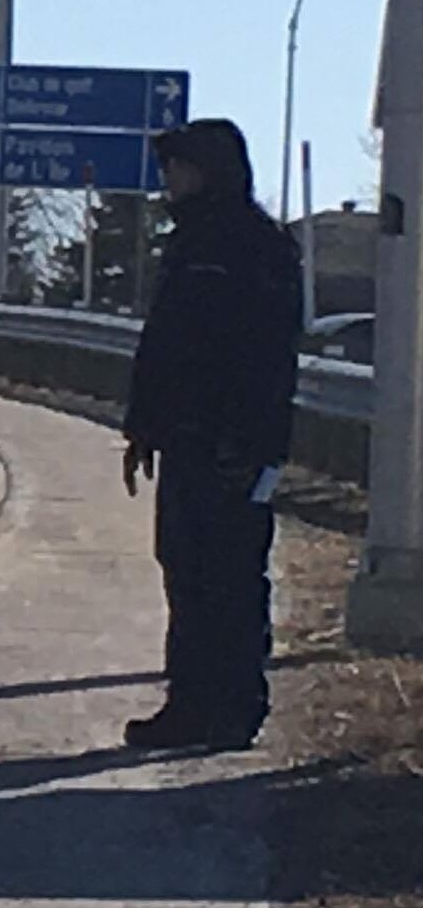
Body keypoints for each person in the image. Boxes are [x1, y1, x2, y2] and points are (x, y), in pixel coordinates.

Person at [121, 118, 302, 752]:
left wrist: (253, 444)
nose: (170, 181)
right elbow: (165, 346)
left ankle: (235, 708)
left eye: (180, 167)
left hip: (234, 449)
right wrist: (142, 427)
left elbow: (269, 357)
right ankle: (189, 705)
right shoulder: (188, 244)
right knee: (186, 574)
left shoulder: (258, 248)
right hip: (185, 440)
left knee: (230, 579)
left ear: (210, 169)